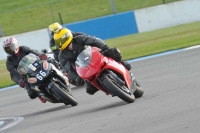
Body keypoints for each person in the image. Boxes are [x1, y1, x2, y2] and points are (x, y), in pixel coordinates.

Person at [52, 26, 132, 95]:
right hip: (84, 67)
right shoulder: (62, 55)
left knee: (113, 52)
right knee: (90, 89)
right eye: (58, 42)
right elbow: (68, 69)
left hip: (94, 55)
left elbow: (93, 40)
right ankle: (110, 88)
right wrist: (77, 77)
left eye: (61, 40)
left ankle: (122, 63)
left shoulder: (79, 39)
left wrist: (104, 47)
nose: (60, 43)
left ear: (67, 36)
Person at [3, 37, 53, 103]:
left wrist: (40, 55)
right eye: (7, 49)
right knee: (31, 94)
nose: (9, 50)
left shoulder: (23, 49)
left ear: (16, 45)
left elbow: (33, 51)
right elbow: (13, 73)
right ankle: (40, 95)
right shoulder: (9, 61)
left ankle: (59, 70)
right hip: (26, 74)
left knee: (49, 61)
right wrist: (19, 81)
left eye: (10, 47)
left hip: (35, 64)